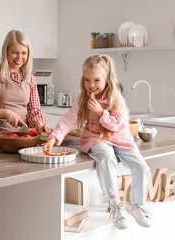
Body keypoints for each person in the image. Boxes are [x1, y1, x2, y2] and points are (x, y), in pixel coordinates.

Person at [43, 54, 152, 230]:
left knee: (141, 165)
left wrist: (102, 113)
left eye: (96, 80)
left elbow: (120, 124)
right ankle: (116, 206)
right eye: (87, 80)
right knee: (107, 156)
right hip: (95, 138)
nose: (91, 85)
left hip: (120, 137)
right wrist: (54, 137)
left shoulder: (116, 97)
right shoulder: (83, 98)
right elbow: (70, 118)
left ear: (107, 79)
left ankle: (137, 204)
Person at [0, 30, 52, 137]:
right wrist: (6, 113)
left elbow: (34, 110)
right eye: (14, 52)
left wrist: (40, 125)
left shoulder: (30, 78)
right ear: (6, 51)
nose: (19, 57)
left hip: (20, 139)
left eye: (24, 53)